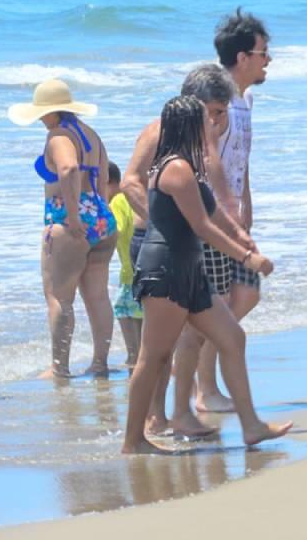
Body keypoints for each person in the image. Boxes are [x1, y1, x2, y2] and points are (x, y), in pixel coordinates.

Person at [122, 95, 291, 454]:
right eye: (206, 119)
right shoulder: (176, 169)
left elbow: (213, 214)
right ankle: (133, 440)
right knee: (153, 356)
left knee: (232, 337)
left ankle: (251, 426)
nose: (212, 124)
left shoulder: (188, 165)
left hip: (189, 268)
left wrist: (242, 235)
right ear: (189, 125)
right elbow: (201, 226)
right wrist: (247, 258)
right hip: (166, 270)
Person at [120, 63, 249, 436]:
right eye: (213, 112)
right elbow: (129, 182)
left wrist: (235, 225)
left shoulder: (199, 136)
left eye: (221, 113)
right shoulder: (158, 132)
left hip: (188, 243)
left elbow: (209, 194)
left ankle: (179, 413)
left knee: (190, 336)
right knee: (160, 346)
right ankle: (154, 420)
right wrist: (163, 221)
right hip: (157, 244)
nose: (217, 121)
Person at [8, 79, 117, 378]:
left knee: (59, 297)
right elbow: (103, 176)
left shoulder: (58, 136)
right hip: (101, 216)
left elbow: (68, 169)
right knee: (98, 297)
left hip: (69, 220)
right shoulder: (91, 135)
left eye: (41, 113)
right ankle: (100, 363)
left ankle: (60, 367)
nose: (40, 119)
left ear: (50, 111)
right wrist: (98, 211)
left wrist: (72, 214)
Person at [196, 8, 273, 413]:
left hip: (233, 215)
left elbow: (241, 159)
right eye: (263, 53)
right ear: (242, 57)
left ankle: (200, 379)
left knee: (246, 293)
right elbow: (206, 159)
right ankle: (204, 388)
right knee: (219, 302)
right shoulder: (216, 101)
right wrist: (222, 212)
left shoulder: (245, 100)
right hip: (210, 216)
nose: (268, 60)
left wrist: (247, 206)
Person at [105, 162, 142, 369]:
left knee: (122, 310)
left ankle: (133, 357)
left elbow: (116, 229)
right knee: (138, 313)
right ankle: (138, 355)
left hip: (130, 273)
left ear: (107, 182)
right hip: (141, 268)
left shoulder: (117, 201)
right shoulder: (132, 198)